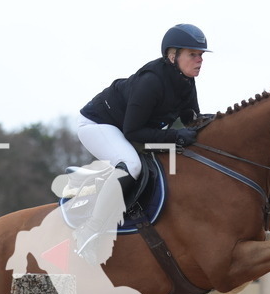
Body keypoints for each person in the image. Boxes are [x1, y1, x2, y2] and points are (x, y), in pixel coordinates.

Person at [72, 23, 210, 260]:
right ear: (172, 55)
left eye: (200, 55)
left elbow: (191, 120)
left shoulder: (186, 81)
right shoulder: (152, 81)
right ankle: (90, 230)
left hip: (128, 128)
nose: (199, 60)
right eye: (192, 54)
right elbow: (133, 131)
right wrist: (175, 136)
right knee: (131, 165)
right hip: (99, 125)